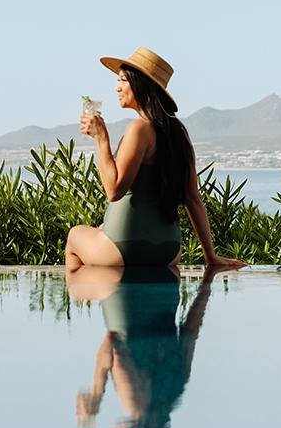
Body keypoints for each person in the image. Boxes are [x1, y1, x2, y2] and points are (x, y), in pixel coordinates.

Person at [64, 46, 245, 272]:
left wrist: (101, 140)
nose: (117, 87)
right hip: (168, 250)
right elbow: (192, 197)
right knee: (100, 230)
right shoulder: (179, 132)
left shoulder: (139, 129)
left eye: (122, 80)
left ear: (140, 84)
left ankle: (99, 296)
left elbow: (114, 190)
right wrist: (210, 255)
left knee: (74, 236)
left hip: (125, 249)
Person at [68, 263, 217, 428]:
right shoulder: (135, 402)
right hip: (125, 278)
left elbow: (192, 328)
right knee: (74, 255)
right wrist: (97, 391)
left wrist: (207, 284)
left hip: (165, 273)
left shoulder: (173, 392)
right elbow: (114, 340)